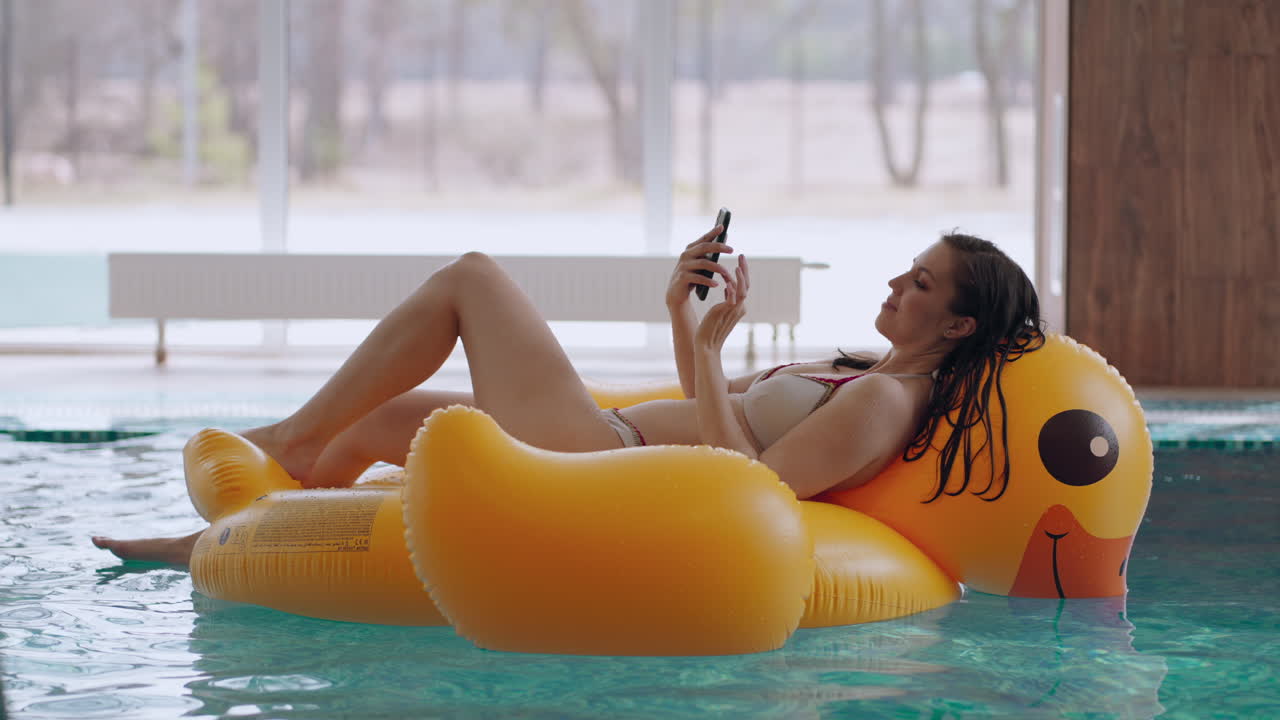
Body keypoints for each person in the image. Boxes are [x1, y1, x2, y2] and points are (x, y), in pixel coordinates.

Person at [93, 229, 1043, 565]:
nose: (895, 284)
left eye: (920, 284)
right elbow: (709, 395)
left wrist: (710, 359)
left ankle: (287, 438)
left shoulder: (887, 406)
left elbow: (752, 485)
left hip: (607, 459)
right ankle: (222, 542)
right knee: (388, 426)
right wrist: (686, 314)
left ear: (958, 326)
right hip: (612, 435)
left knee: (472, 278)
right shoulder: (858, 370)